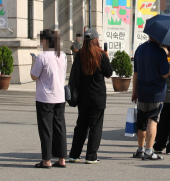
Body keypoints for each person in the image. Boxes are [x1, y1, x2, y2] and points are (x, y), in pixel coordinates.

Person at [131, 36, 170, 161]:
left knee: (141, 122)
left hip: (142, 91)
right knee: (153, 120)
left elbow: (135, 72)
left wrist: (134, 91)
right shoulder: (160, 52)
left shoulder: (140, 49)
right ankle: (149, 151)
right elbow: (165, 74)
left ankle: (140, 149)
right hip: (156, 92)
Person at [69, 29, 113, 164]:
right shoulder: (101, 55)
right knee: (95, 127)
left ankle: (74, 154)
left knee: (81, 126)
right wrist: (107, 56)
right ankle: (91, 155)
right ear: (96, 40)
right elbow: (109, 73)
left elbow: (74, 76)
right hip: (98, 97)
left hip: (83, 97)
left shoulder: (80, 56)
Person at [30, 29, 67, 168]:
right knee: (60, 127)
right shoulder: (62, 55)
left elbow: (34, 75)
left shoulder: (42, 57)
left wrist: (33, 62)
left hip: (45, 97)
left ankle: (47, 160)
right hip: (59, 96)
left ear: (45, 41)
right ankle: (62, 158)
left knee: (46, 129)